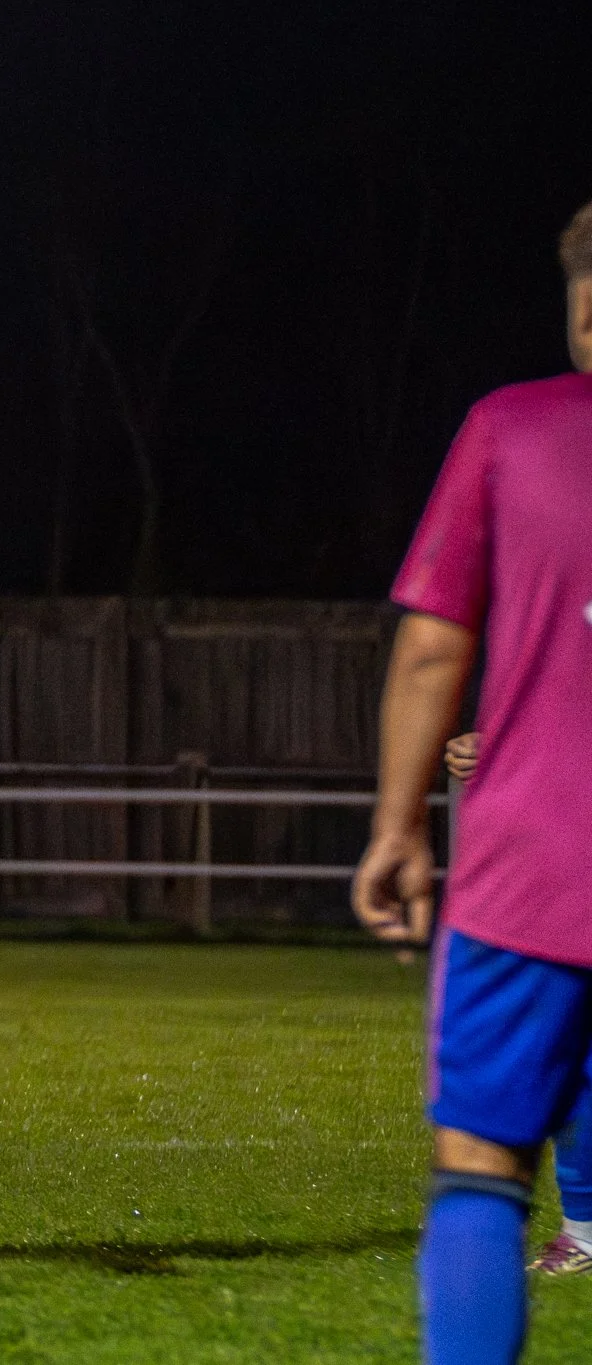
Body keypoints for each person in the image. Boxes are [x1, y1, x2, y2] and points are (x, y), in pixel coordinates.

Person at [352, 200, 592, 1364]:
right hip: (530, 867)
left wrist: (397, 829)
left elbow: (433, 646)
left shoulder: (513, 429)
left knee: (479, 1173)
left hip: (527, 872)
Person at [442, 730, 592, 1279]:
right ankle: (584, 1233)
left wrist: (521, 749)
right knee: (576, 1058)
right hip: (565, 864)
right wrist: (511, 746)